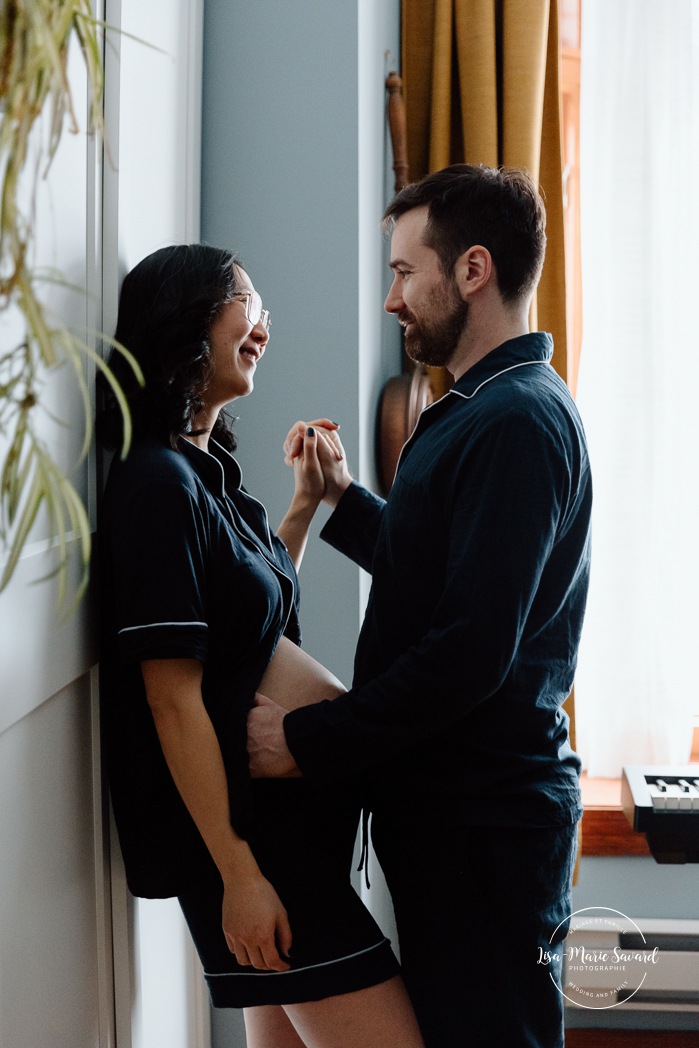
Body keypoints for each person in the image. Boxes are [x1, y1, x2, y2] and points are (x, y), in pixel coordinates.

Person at [247, 164, 592, 1048]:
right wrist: (341, 501)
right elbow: (446, 574)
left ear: (472, 270)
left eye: (405, 273)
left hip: (486, 826)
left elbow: (470, 648)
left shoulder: (516, 420)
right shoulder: (480, 407)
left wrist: (307, 743)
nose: (393, 300)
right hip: (455, 819)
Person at [96, 244, 424, 1048]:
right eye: (247, 304)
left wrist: (307, 506)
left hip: (285, 840)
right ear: (188, 316)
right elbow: (171, 700)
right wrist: (238, 872)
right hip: (258, 848)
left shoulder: (208, 476)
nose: (264, 327)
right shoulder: (155, 487)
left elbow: (253, 624)